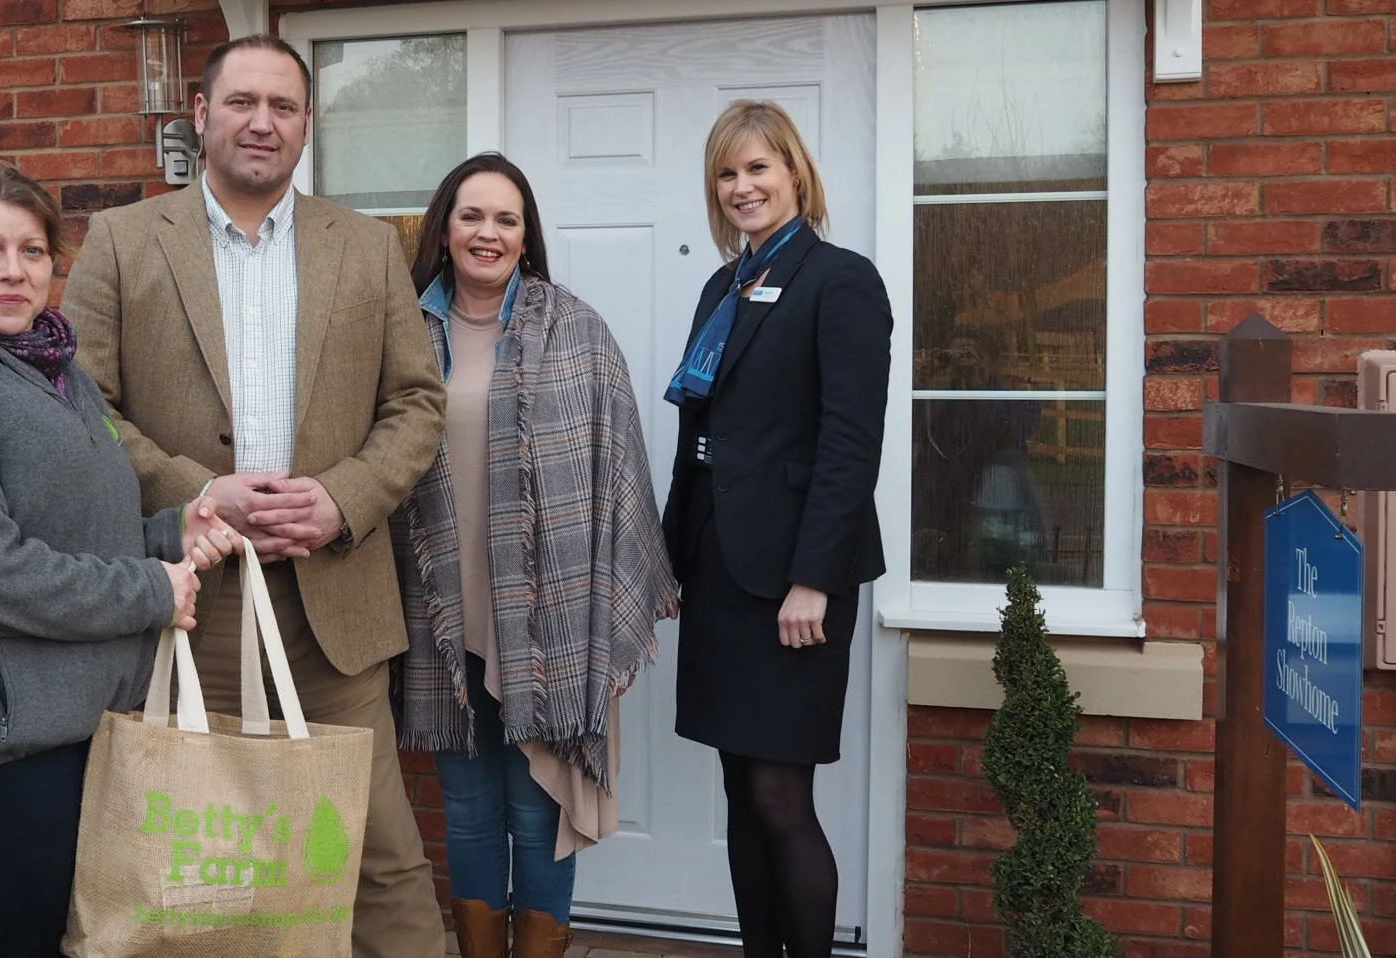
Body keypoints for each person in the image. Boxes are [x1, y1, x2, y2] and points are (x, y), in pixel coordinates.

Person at [62, 34, 450, 958]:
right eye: (241, 102)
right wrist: (199, 493)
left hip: (336, 611)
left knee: (381, 860)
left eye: (282, 106)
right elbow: (79, 407)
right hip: (189, 609)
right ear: (200, 114)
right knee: (204, 862)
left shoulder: (362, 246)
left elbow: (417, 403)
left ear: (307, 124)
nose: (261, 122)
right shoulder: (123, 241)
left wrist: (342, 499)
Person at [0, 162, 240, 958]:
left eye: (31, 251)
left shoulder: (60, 375)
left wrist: (170, 531)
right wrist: (148, 590)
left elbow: (77, 537)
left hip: (89, 734)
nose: (12, 272)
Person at [392, 153, 677, 958]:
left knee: (538, 808)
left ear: (526, 237)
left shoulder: (575, 328)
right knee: (469, 810)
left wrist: (626, 583)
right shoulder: (403, 331)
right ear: (442, 230)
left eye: (506, 219)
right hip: (441, 613)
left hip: (549, 617)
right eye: (472, 216)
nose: (488, 233)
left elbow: (620, 466)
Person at [661, 101, 891, 958]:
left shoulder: (842, 280)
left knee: (779, 798)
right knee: (737, 789)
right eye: (726, 173)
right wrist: (671, 558)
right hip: (721, 570)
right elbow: (701, 439)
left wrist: (814, 579)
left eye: (758, 168)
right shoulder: (721, 286)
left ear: (794, 172)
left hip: (795, 579)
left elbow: (848, 443)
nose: (741, 187)